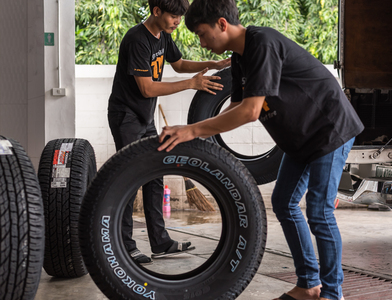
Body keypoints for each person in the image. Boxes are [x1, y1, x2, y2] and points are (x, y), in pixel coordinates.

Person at [157, 0, 364, 299]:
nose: (202, 44)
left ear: (222, 24)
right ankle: (309, 284)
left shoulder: (261, 43)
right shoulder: (241, 57)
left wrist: (192, 130)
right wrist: (198, 138)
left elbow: (251, 112)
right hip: (301, 139)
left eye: (202, 34)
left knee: (319, 212)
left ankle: (333, 293)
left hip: (328, 130)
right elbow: (236, 107)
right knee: (284, 203)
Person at [108, 0, 231, 265]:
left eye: (179, 17)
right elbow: (147, 89)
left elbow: (178, 64)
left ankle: (161, 243)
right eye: (174, 17)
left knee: (155, 175)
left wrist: (213, 64)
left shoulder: (163, 36)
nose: (177, 22)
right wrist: (192, 84)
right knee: (129, 179)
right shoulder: (136, 40)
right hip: (126, 117)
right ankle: (125, 246)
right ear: (156, 12)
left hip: (144, 117)